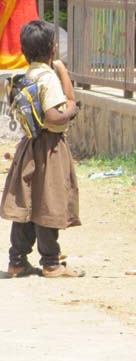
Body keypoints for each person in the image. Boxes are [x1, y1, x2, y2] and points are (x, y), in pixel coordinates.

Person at [1, 20, 82, 278]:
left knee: (27, 203)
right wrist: (72, 109)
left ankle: (17, 260)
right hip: (49, 147)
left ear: (24, 50)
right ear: (53, 48)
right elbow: (53, 115)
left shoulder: (26, 75)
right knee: (49, 202)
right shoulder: (48, 78)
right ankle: (50, 262)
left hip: (28, 145)